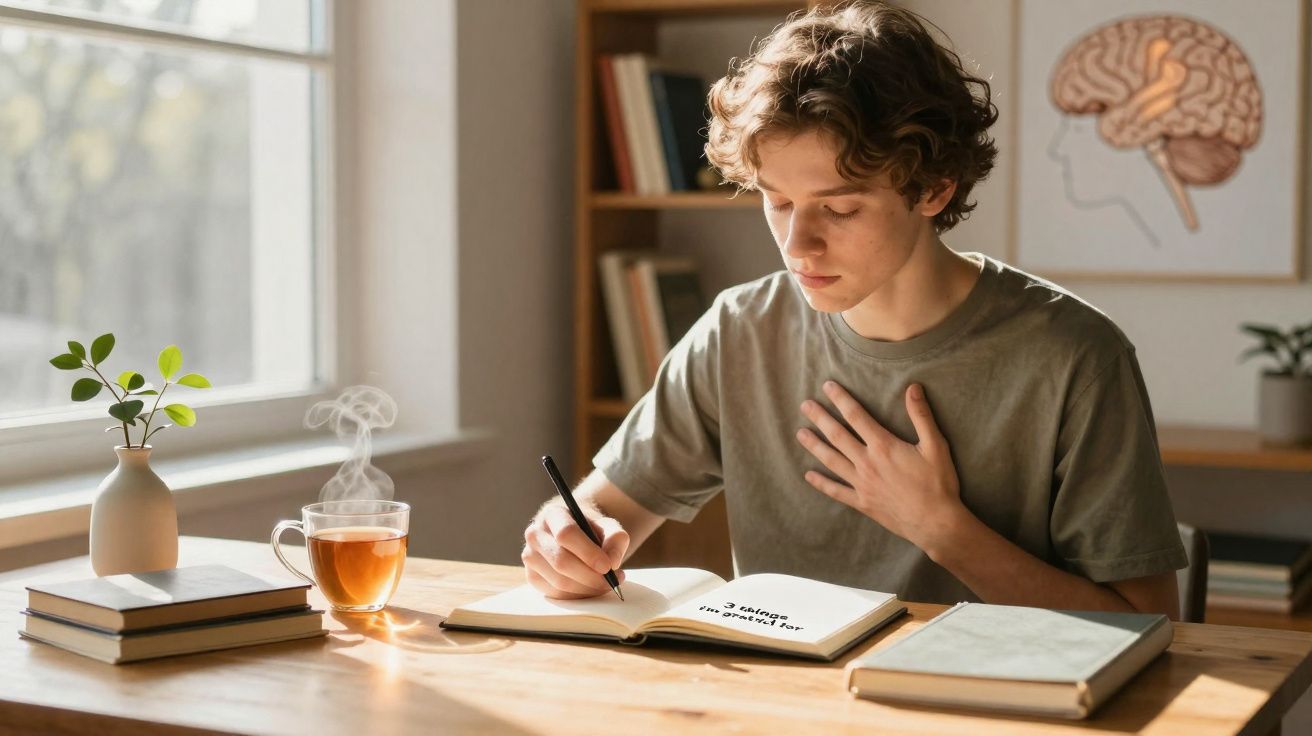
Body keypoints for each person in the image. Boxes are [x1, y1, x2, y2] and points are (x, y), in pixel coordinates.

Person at [523, 0, 1187, 617]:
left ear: (933, 189)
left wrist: (941, 528)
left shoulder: (1075, 356)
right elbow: (601, 510)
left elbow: (1149, 622)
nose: (796, 244)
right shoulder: (739, 331)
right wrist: (567, 539)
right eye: (778, 201)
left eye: (839, 209)